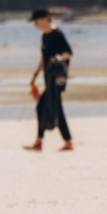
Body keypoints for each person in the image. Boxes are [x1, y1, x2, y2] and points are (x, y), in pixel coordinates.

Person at [25, 9, 74, 152]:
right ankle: (68, 142)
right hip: (48, 78)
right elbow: (44, 58)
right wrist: (35, 75)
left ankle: (39, 141)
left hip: (57, 79)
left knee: (42, 106)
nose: (35, 24)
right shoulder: (45, 37)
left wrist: (57, 59)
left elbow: (68, 53)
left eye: (36, 20)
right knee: (56, 109)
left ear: (46, 18)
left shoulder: (57, 34)